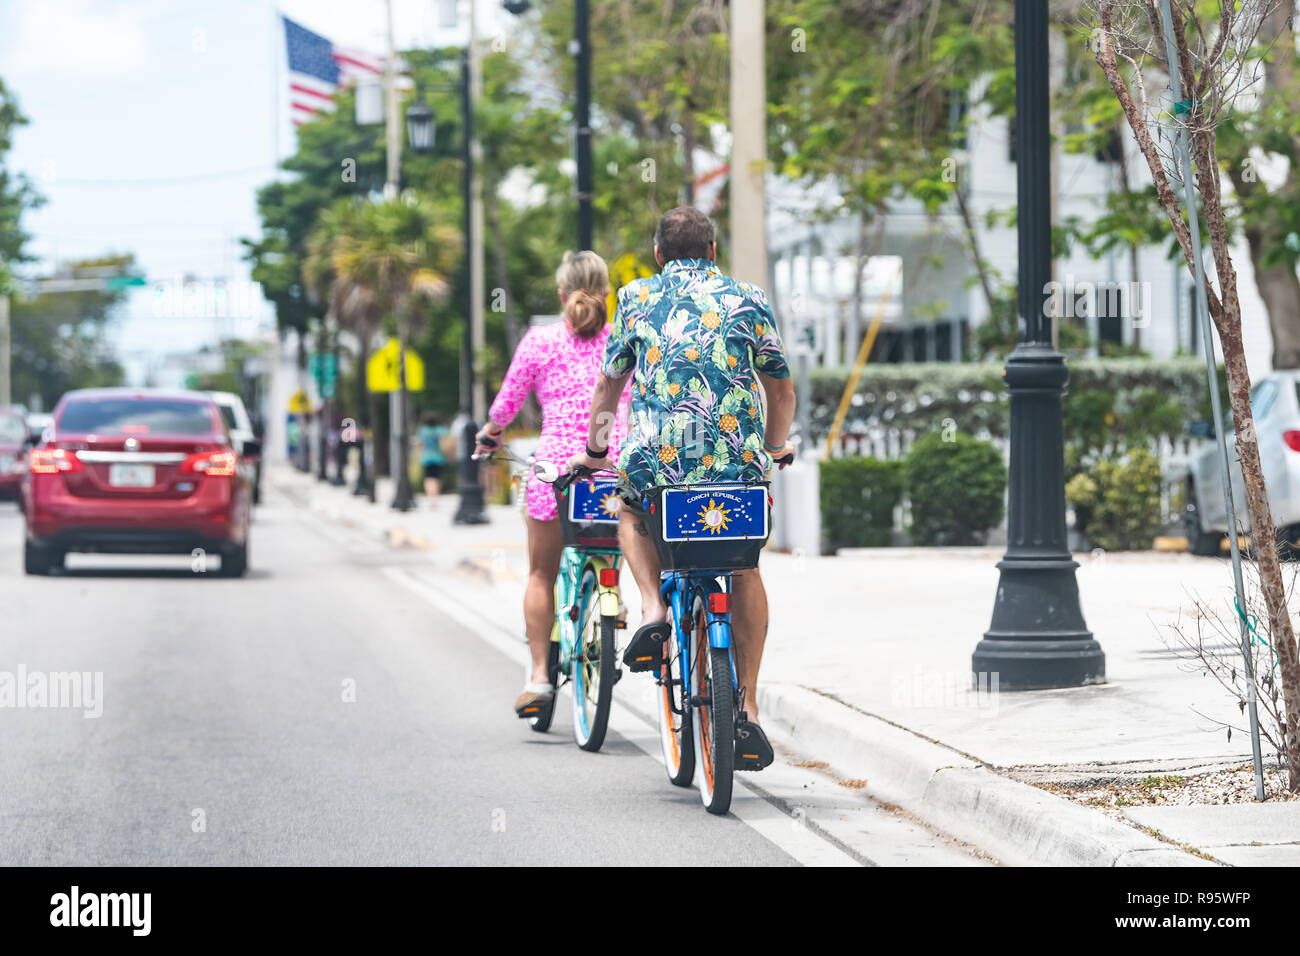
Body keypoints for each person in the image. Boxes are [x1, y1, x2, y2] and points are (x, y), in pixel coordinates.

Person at [569, 207, 796, 770]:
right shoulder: (748, 298)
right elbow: (782, 391)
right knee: (744, 568)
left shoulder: (638, 298)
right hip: (735, 470)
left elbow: (608, 388)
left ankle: (652, 609)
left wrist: (596, 451)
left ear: (658, 255)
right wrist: (774, 447)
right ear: (714, 250)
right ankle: (748, 703)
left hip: (658, 469)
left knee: (627, 508)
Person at [474, 251, 630, 717]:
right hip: (612, 467)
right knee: (613, 539)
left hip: (556, 472)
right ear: (607, 294)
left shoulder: (539, 341)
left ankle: (540, 677)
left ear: (562, 296)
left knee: (542, 573)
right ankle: (611, 601)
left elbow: (505, 405)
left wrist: (491, 434)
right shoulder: (624, 341)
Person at [417, 410, 449, 506]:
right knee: (436, 478)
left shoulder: (423, 431)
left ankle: (430, 497)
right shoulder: (440, 430)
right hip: (438, 457)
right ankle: (435, 498)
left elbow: (420, 444)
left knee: (428, 478)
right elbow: (442, 443)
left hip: (426, 457)